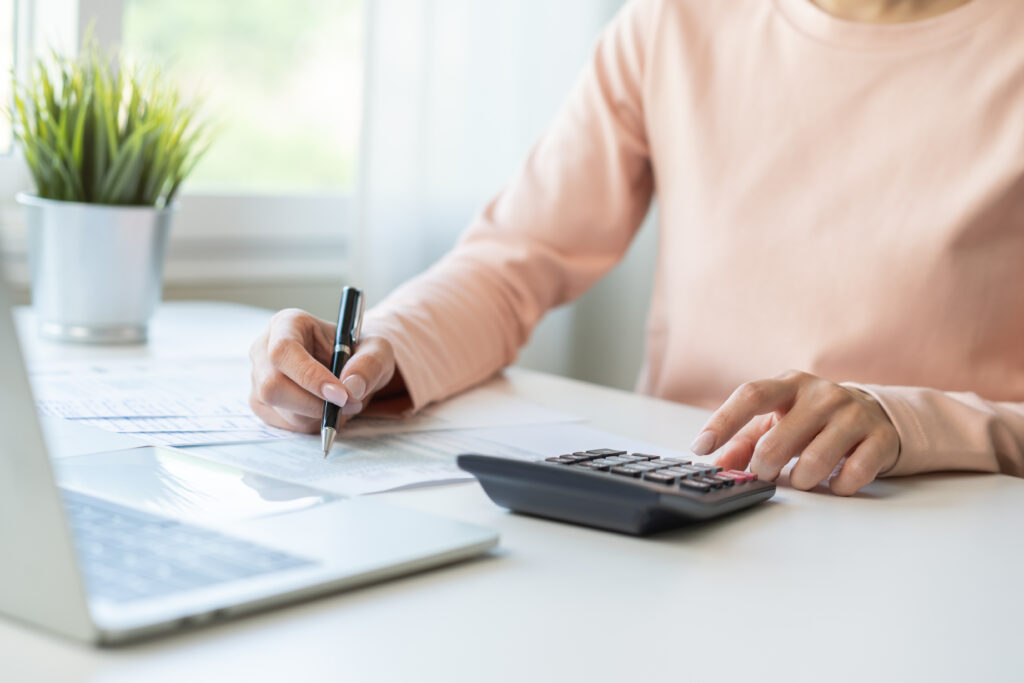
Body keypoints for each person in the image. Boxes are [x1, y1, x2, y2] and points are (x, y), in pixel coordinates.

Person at [249, 0, 1024, 496]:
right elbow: (514, 258)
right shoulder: (675, 22)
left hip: (942, 524)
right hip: (685, 500)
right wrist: (380, 348)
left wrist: (910, 422)